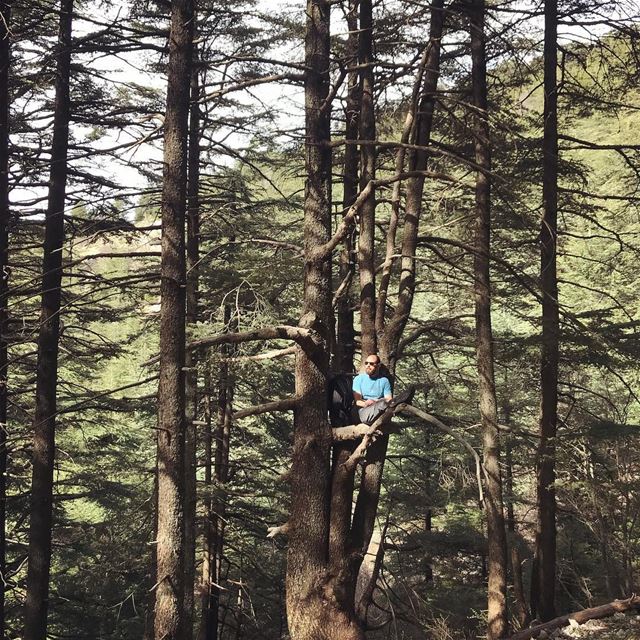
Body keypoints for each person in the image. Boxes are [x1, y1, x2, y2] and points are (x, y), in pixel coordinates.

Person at [352, 354, 392, 424]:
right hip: (362, 409)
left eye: (371, 364)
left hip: (378, 407)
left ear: (378, 365)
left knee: (384, 404)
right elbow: (358, 402)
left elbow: (389, 399)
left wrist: (374, 402)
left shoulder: (384, 381)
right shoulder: (358, 379)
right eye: (366, 363)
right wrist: (366, 404)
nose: (368, 365)